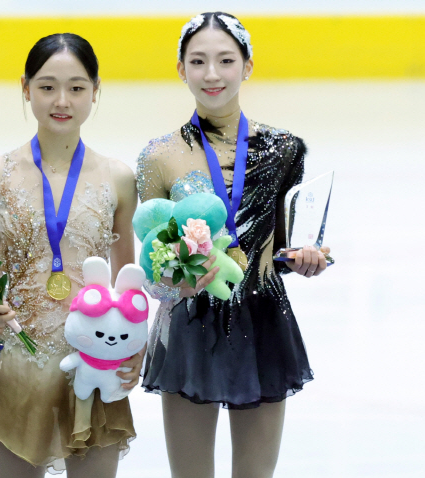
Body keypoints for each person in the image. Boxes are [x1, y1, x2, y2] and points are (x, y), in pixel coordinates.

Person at [136, 12, 332, 478]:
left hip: (264, 318)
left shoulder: (285, 149)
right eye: (198, 60)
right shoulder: (157, 157)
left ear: (246, 66)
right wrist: (173, 285)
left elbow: (281, 246)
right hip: (188, 323)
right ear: (181, 68)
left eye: (225, 60)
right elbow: (152, 265)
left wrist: (307, 259)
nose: (211, 74)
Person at [0, 33, 140, 478]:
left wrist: (135, 349)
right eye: (46, 87)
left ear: (95, 91)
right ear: (25, 88)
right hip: (17, 358)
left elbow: (128, 278)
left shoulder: (118, 178)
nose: (61, 100)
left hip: (96, 356)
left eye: (77, 88)